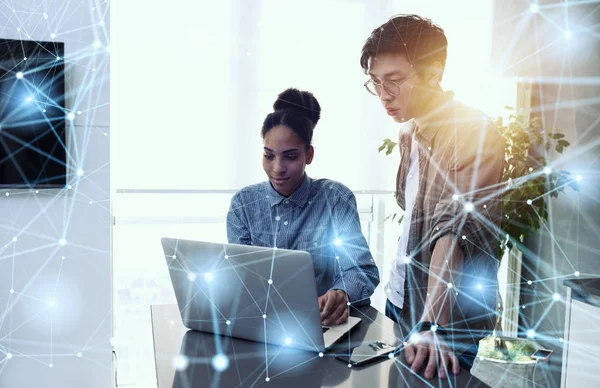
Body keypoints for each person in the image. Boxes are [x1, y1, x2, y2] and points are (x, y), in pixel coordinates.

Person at [360, 15, 504, 379]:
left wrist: (432, 325)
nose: (384, 95)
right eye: (375, 83)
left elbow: (451, 230)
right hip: (402, 303)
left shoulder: (471, 131)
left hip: (445, 324)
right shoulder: (410, 132)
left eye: (394, 81)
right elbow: (415, 222)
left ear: (433, 73)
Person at [226, 88, 380, 327]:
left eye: (290, 157)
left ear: (309, 155)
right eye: (269, 155)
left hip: (322, 324)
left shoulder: (335, 199)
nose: (278, 168)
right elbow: (242, 277)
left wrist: (341, 293)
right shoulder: (244, 204)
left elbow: (361, 269)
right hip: (263, 324)